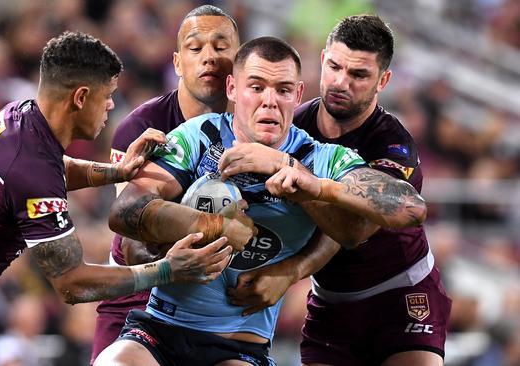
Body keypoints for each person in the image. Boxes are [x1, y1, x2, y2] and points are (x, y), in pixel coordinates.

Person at [0, 31, 235, 366]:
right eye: (107, 97)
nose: (111, 107)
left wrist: (117, 172)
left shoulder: (17, 117)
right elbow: (73, 283)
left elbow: (55, 167)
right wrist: (168, 270)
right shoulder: (29, 168)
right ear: (81, 97)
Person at [97, 36, 427, 366]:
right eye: (256, 87)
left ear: (297, 95)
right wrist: (210, 229)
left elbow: (409, 208)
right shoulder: (198, 136)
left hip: (239, 347)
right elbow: (124, 211)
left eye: (282, 90)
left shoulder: (321, 159)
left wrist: (308, 183)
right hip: (159, 330)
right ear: (232, 89)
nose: (269, 101)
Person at [223, 15, 452, 366]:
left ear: (383, 80)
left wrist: (305, 182)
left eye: (359, 75)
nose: (341, 82)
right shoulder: (293, 126)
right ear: (322, 59)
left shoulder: (391, 145)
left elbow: (352, 230)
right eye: (334, 66)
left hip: (400, 293)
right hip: (330, 300)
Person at [91, 5, 241, 363]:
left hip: (217, 307)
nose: (209, 57)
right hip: (138, 293)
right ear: (176, 63)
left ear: (241, 61)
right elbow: (131, 235)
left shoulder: (258, 127)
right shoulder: (140, 128)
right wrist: (173, 261)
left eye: (221, 47)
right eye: (195, 47)